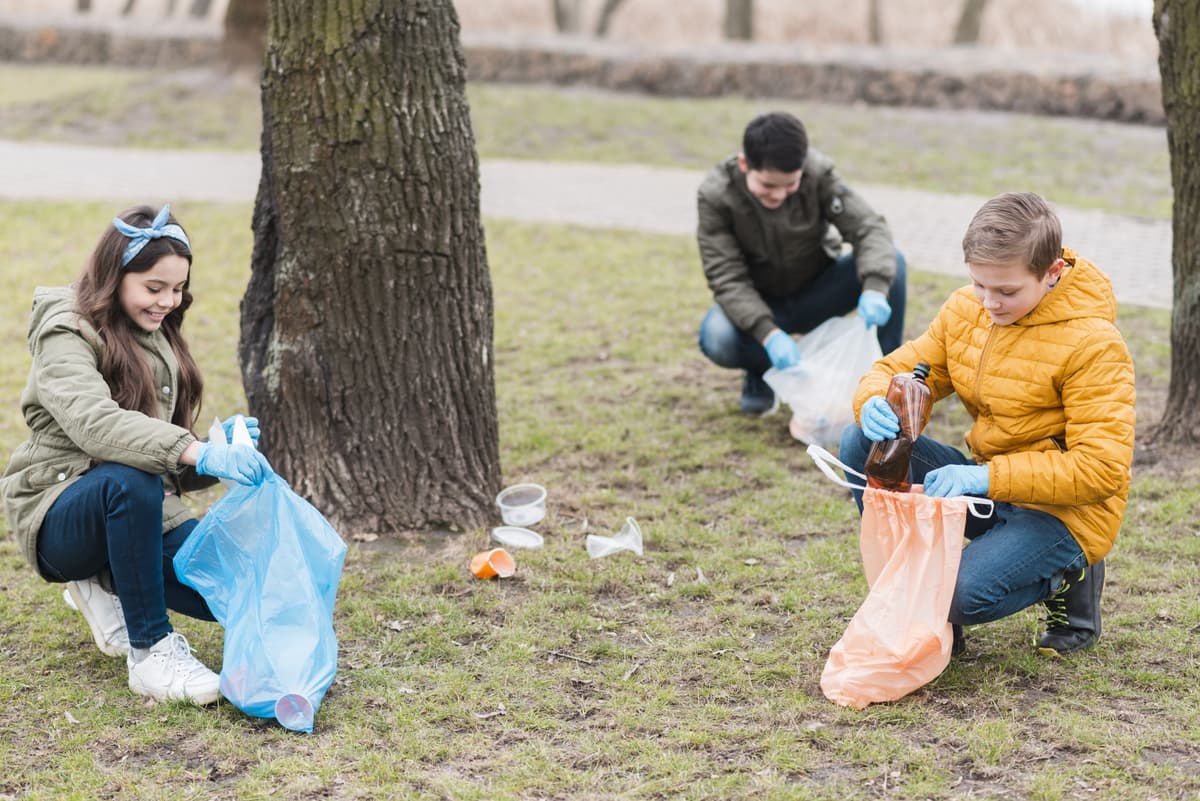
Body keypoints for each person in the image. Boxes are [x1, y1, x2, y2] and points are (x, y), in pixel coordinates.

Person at [838, 192, 1135, 656]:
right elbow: (903, 368)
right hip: (991, 489)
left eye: (1007, 291)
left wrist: (982, 476)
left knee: (956, 593)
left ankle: (1066, 577)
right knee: (862, 443)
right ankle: (916, 598)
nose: (990, 303)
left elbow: (1102, 470)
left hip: (1063, 512)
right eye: (980, 285)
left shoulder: (1095, 345)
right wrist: (874, 399)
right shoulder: (966, 310)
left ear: (1052, 273)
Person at [1, 204, 274, 705]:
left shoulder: (154, 332)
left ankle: (110, 581)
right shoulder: (64, 328)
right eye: (154, 287)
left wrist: (215, 449)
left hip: (138, 503)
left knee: (227, 589)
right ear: (114, 275)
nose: (169, 301)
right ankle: (151, 654)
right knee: (128, 479)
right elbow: (95, 424)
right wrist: (194, 450)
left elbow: (162, 450)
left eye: (178, 289)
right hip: (58, 511)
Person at [696, 110, 907, 415]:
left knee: (892, 265)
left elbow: (868, 227)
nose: (779, 194)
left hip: (817, 289)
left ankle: (888, 382)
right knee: (717, 335)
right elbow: (726, 276)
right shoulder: (716, 196)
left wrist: (874, 289)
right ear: (745, 165)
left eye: (790, 185)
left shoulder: (817, 174)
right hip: (763, 304)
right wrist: (767, 333)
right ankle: (762, 372)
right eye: (768, 186)